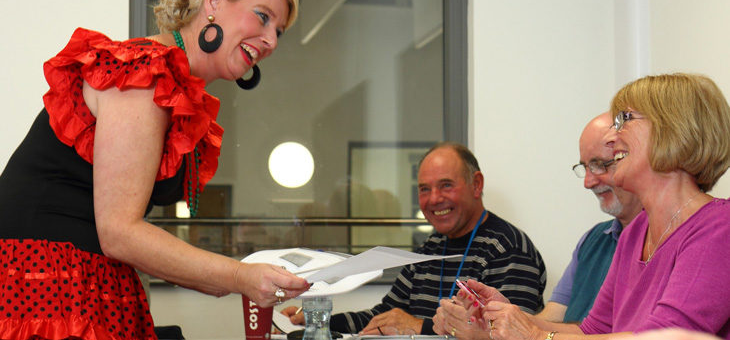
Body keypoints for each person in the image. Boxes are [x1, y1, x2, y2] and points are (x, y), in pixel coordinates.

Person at [0, 0, 310, 340]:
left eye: (279, 32)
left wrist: (247, 279)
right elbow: (120, 232)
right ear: (214, 2)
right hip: (43, 282)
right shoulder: (143, 75)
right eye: (263, 17)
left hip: (85, 278)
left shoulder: (171, 85)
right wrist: (238, 275)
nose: (270, 41)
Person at [433, 73, 730, 340]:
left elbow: (662, 339)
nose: (612, 137)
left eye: (624, 120)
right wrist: (503, 319)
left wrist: (536, 337)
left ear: (673, 128)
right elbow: (594, 331)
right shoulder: (637, 230)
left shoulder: (720, 228)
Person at [282, 142, 546, 335]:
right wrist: (319, 320)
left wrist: (417, 326)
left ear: (476, 185)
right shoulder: (430, 248)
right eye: (424, 189)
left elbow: (511, 333)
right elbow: (383, 317)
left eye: (445, 185)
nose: (433, 199)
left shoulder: (509, 249)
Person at [537, 112, 642, 323]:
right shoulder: (593, 240)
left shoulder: (662, 241)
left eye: (600, 165)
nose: (588, 182)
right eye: (585, 167)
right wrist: (498, 317)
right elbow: (549, 321)